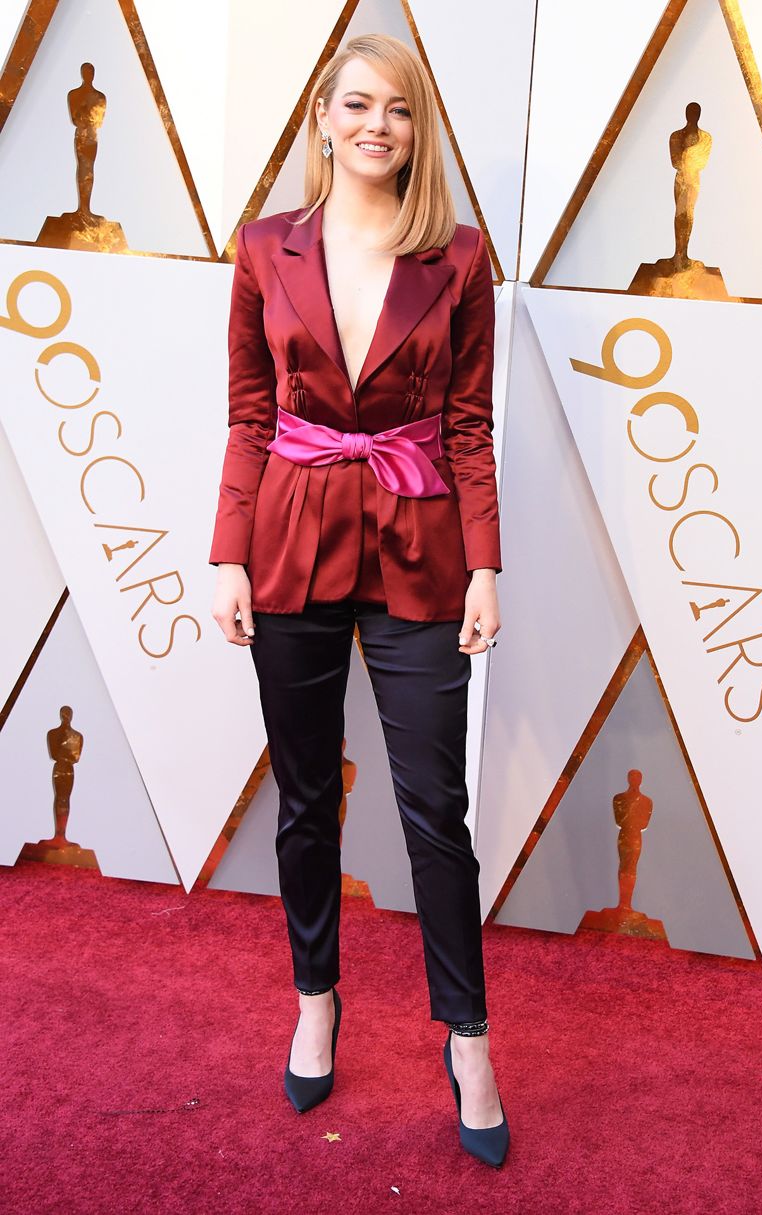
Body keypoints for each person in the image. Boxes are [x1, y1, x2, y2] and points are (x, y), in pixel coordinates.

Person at [209, 32, 508, 1167]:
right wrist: (228, 553)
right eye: (359, 105)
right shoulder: (263, 247)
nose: (378, 125)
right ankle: (315, 999)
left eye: (400, 109)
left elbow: (469, 426)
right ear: (324, 121)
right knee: (305, 800)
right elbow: (250, 414)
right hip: (288, 542)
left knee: (437, 806)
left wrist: (486, 565)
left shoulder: (460, 258)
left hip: (421, 547)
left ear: (418, 129)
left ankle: (469, 1041)